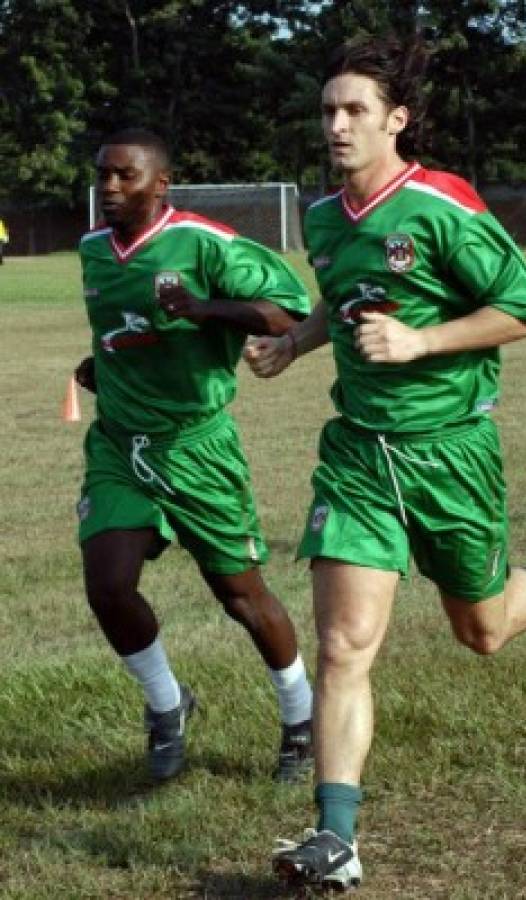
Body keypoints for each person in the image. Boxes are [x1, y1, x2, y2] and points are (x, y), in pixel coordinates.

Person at [245, 33, 526, 891]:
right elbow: (341, 303)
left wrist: (423, 339)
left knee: (483, 631)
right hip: (357, 453)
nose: (337, 125)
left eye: (354, 110)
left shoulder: (441, 206)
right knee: (344, 645)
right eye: (327, 110)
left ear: (396, 120)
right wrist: (298, 345)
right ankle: (335, 836)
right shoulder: (320, 219)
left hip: (451, 453)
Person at [74, 127, 314, 785]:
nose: (109, 188)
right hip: (120, 445)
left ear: (161, 183)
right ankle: (167, 704)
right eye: (102, 175)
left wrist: (206, 309)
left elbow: (288, 314)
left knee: (240, 595)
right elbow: (123, 332)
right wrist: (104, 365)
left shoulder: (206, 242)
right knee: (108, 585)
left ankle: (300, 716)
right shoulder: (92, 249)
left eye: (125, 176)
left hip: (197, 449)